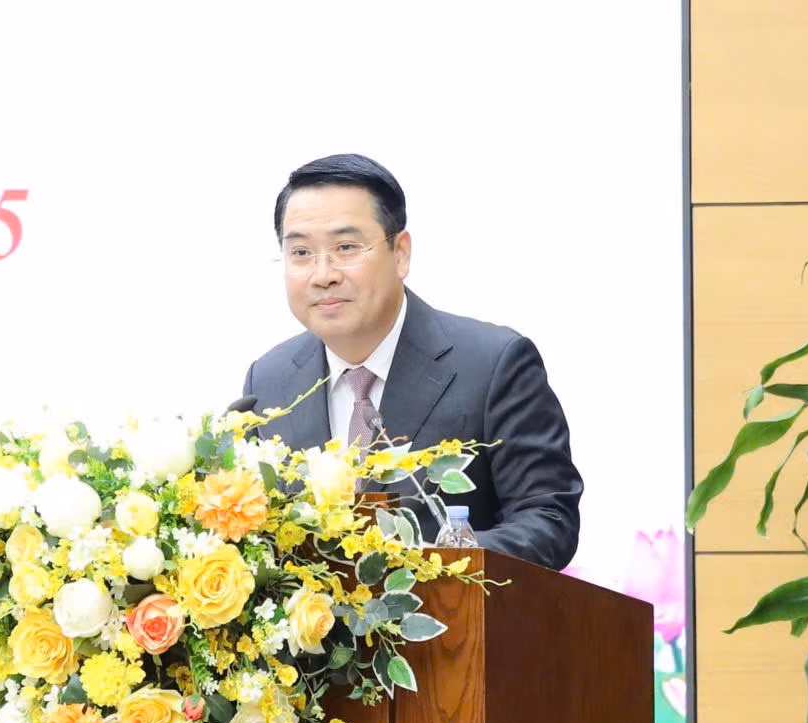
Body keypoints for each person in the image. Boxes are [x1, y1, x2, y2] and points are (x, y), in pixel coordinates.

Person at [243, 153, 582, 570]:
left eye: (346, 247)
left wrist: (430, 565)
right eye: (300, 252)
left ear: (400, 253)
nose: (323, 274)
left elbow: (548, 520)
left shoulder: (494, 365)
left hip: (453, 611)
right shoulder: (269, 383)